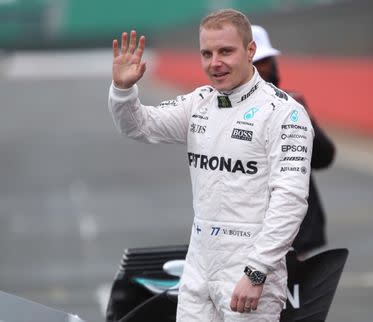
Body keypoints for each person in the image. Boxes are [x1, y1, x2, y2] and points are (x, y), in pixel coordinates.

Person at [108, 9, 314, 322]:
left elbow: (290, 202)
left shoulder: (285, 114)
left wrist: (256, 272)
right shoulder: (199, 102)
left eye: (225, 51)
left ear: (250, 51)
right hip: (199, 264)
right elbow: (140, 126)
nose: (214, 63)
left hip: (250, 267)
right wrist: (123, 91)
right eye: (207, 53)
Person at [251, 25, 336, 259]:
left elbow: (324, 157)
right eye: (256, 63)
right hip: (251, 233)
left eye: (266, 61)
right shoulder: (225, 112)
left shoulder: (292, 105)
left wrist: (305, 120)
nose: (263, 69)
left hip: (298, 231)